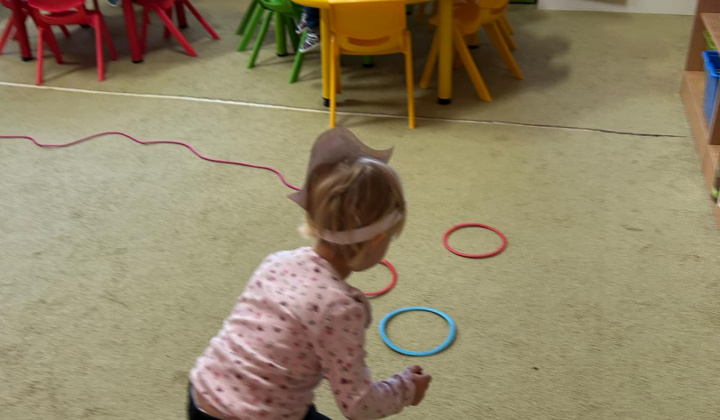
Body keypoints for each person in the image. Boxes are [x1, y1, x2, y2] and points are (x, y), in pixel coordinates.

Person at [188, 127, 431, 420]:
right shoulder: (339, 309)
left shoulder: (277, 262)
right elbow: (359, 405)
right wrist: (406, 389)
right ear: (376, 240)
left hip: (202, 392)